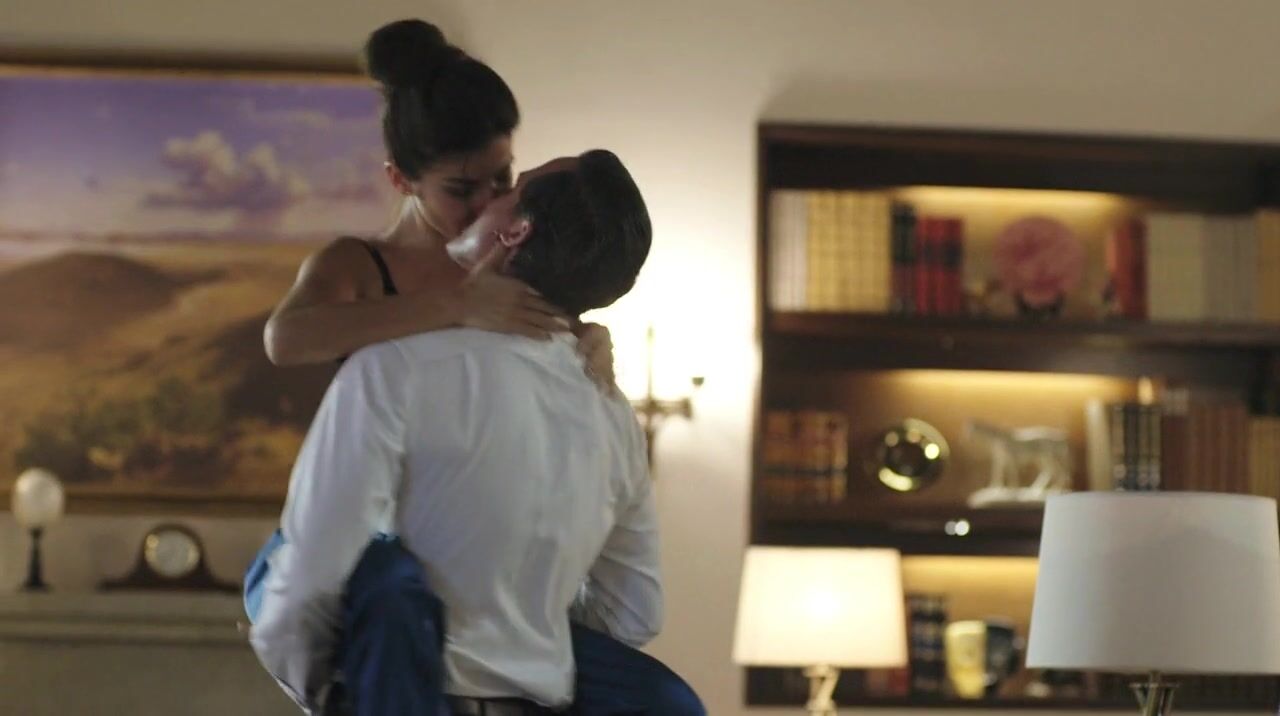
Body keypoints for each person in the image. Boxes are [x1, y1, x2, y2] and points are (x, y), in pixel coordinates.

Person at [250, 149, 701, 715]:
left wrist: (333, 691)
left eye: (508, 190)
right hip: (539, 702)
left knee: (294, 566)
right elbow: (635, 613)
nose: (486, 199)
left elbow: (310, 575)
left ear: (515, 231)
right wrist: (522, 631)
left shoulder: (394, 370)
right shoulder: (612, 413)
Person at [261, 19, 615, 382]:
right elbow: (284, 339)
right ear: (400, 179)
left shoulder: (520, 256)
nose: (487, 202)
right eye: (461, 190)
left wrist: (591, 343)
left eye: (501, 176)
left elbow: (554, 349)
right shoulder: (355, 265)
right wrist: (458, 303)